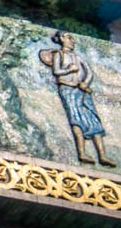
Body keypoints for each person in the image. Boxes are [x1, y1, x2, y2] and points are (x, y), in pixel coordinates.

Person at [39, 32, 114, 166]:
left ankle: (102, 156)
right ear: (62, 39)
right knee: (76, 119)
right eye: (69, 37)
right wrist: (69, 70)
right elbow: (56, 71)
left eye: (73, 38)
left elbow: (89, 72)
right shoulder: (59, 55)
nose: (72, 41)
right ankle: (82, 153)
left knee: (93, 120)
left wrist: (85, 82)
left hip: (82, 90)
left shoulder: (77, 57)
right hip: (68, 89)